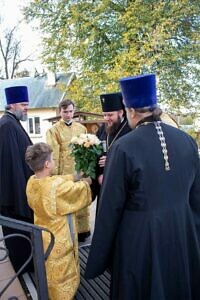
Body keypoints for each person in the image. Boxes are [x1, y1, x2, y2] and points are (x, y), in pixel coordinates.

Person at [85, 74, 200, 300]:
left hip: (140, 238)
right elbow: (196, 197)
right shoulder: (187, 140)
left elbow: (111, 207)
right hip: (180, 232)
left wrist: (101, 255)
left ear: (130, 110)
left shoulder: (123, 147)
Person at [25, 142, 92, 300]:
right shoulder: (57, 189)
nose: (54, 161)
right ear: (47, 164)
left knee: (47, 265)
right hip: (58, 236)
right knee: (62, 268)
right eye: (53, 159)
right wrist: (86, 182)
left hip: (41, 233)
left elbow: (57, 180)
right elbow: (78, 191)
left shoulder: (32, 181)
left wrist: (75, 176)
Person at [46, 99, 91, 242]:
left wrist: (87, 170)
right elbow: (53, 154)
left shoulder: (81, 128)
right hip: (64, 173)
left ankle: (82, 232)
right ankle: (68, 233)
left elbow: (87, 151)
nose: (68, 114)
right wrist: (55, 177)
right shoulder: (53, 130)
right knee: (67, 202)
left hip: (80, 170)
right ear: (60, 112)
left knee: (80, 199)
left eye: (71, 111)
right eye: (65, 112)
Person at [0, 85, 34, 272]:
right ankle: (23, 270)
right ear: (12, 104)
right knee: (18, 239)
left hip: (18, 193)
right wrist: (22, 197)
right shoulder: (7, 126)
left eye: (27, 104)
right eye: (23, 104)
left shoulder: (12, 122)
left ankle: (25, 266)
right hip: (14, 198)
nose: (26, 108)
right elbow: (11, 166)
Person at [94, 92, 131, 213]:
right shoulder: (103, 129)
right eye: (104, 115)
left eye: (110, 115)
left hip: (121, 186)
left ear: (121, 112)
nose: (106, 119)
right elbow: (96, 152)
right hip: (103, 185)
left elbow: (132, 157)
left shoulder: (131, 129)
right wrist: (98, 175)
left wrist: (111, 161)